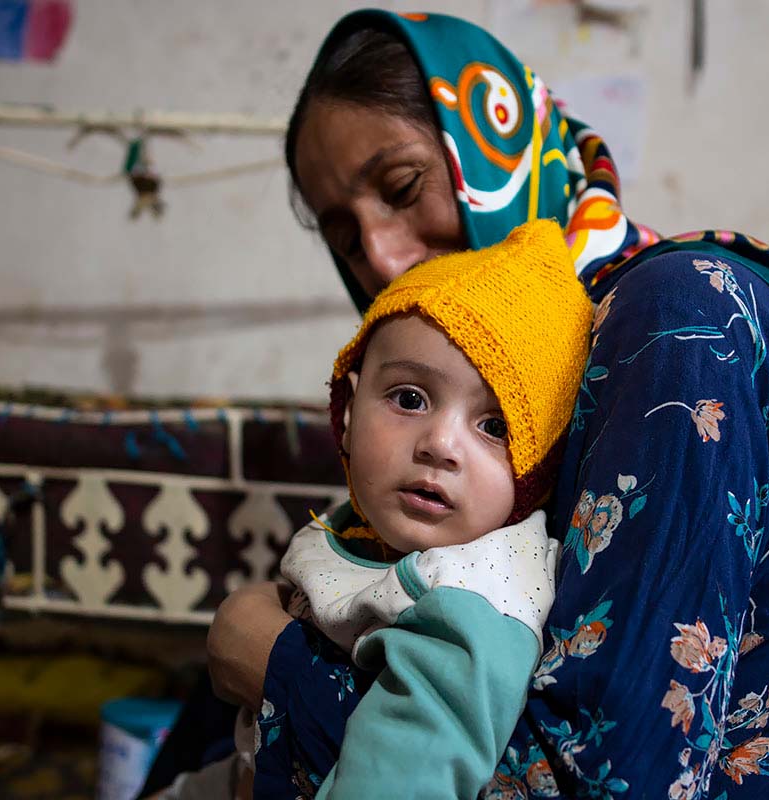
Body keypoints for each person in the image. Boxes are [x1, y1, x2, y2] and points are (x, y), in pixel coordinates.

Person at [203, 9, 769, 799]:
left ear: (494, 141)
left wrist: (276, 667)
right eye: (345, 236)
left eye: (402, 189)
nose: (384, 259)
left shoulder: (676, 325)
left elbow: (601, 781)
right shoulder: (550, 370)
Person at [222, 219, 589, 798]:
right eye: (410, 398)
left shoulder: (471, 599)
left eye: (495, 427)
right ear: (348, 404)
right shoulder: (366, 524)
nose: (440, 445)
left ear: (535, 475)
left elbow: (399, 778)